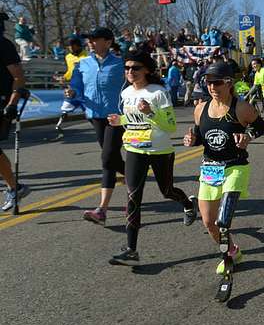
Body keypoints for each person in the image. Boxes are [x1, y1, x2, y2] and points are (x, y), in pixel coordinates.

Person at [182, 62, 264, 302]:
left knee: (222, 221)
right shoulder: (200, 109)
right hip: (210, 168)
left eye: (217, 82)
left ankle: (227, 262)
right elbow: (200, 136)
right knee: (208, 222)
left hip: (235, 167)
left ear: (229, 83)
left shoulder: (242, 108)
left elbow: (260, 127)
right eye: (208, 82)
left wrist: (248, 136)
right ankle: (233, 251)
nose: (212, 86)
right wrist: (191, 139)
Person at [107, 47, 197, 265]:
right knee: (132, 196)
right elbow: (132, 120)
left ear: (147, 69)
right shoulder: (126, 93)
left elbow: (170, 126)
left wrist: (150, 112)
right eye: (127, 68)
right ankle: (131, 248)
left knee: (167, 191)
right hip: (135, 150)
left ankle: (187, 203)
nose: (130, 71)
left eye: (135, 68)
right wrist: (120, 121)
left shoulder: (158, 92)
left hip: (160, 150)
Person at [67, 27, 126, 225]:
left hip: (116, 117)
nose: (90, 42)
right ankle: (134, 177)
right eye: (88, 39)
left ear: (108, 42)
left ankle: (102, 210)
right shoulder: (82, 64)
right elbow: (76, 86)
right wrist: (72, 93)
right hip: (94, 116)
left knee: (107, 157)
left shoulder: (121, 64)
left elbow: (134, 85)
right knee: (112, 157)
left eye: (95, 39)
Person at [0, 13, 29, 211]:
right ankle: (15, 187)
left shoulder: (4, 45)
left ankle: (14, 187)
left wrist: (12, 103)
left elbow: (18, 77)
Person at [55, 36, 90, 134]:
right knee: (66, 106)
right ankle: (59, 125)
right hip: (73, 86)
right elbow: (70, 71)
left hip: (85, 87)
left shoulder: (87, 56)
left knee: (89, 111)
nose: (70, 48)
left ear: (78, 46)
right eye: (69, 46)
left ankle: (97, 126)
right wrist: (64, 77)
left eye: (72, 46)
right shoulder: (68, 57)